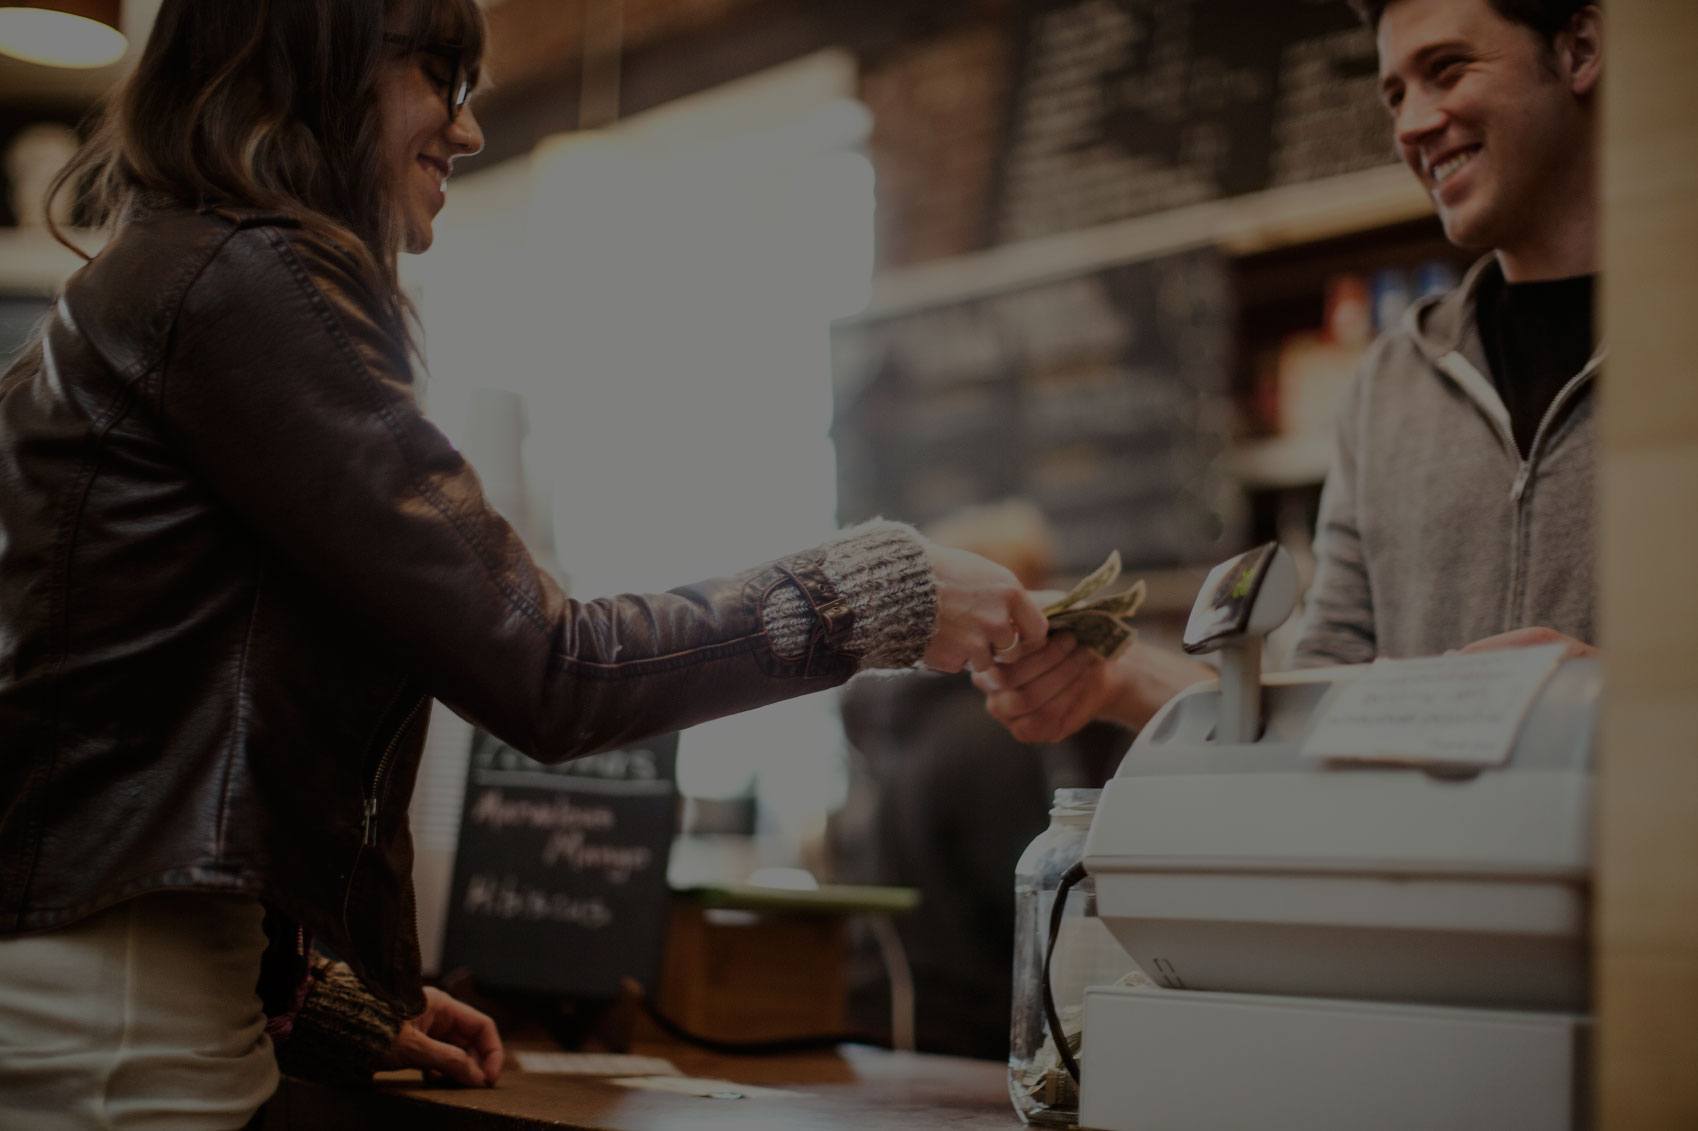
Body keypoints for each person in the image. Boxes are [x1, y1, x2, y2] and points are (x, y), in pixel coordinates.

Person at [0, 3, 1050, 1127]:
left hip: (104, 984)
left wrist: (304, 995)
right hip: (115, 1019)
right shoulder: (252, 277)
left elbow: (136, 714)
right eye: (435, 74)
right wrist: (877, 592)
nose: (466, 130)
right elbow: (550, 667)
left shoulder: (161, 282)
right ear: (318, 61)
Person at [978, 0, 1604, 744]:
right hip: (1424, 864)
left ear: (1578, 50)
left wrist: (1618, 694)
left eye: (1446, 70)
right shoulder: (1391, 384)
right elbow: (1320, 704)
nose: (1411, 125)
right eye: (1396, 94)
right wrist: (1123, 676)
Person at [832, 502, 1124, 1059]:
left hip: (882, 1025)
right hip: (971, 1041)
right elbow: (1035, 911)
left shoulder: (897, 721)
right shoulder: (1002, 729)